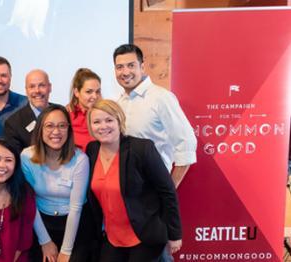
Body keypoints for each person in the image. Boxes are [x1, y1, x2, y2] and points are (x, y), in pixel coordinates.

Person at [113, 43, 196, 262]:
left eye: (131, 65)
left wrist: (167, 187)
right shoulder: (118, 102)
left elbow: (186, 144)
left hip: (153, 195)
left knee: (157, 255)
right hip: (128, 198)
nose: (125, 72)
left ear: (142, 65)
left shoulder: (161, 98)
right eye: (119, 67)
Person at [85, 99, 182, 262]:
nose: (103, 126)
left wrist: (174, 234)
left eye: (109, 120)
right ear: (90, 126)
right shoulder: (92, 150)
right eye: (96, 122)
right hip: (111, 238)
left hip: (145, 235)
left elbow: (167, 192)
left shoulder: (142, 148)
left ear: (119, 121)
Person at [21, 104, 93, 262]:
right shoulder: (26, 157)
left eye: (62, 126)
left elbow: (76, 208)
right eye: (49, 126)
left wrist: (66, 251)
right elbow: (29, 202)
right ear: (40, 129)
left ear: (69, 129)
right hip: (40, 223)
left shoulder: (80, 160)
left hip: (75, 223)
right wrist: (45, 241)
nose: (56, 132)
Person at [4, 69, 52, 153]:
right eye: (32, 86)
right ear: (26, 90)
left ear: (50, 87)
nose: (37, 91)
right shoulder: (13, 124)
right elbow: (16, 160)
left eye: (42, 85)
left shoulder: (63, 113)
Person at [66, 68, 102, 152]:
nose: (95, 96)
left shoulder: (106, 115)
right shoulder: (67, 116)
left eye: (98, 91)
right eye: (89, 92)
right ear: (76, 92)